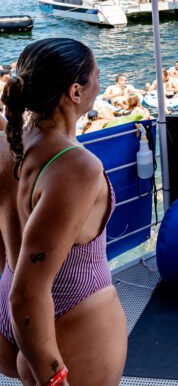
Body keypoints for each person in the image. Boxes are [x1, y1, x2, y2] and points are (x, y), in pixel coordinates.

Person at [0, 38, 127, 384]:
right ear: (75, 91)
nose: (100, 84)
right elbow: (28, 293)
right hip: (67, 318)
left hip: (14, 309)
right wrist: (52, 378)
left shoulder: (9, 142)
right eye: (97, 76)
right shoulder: (76, 167)